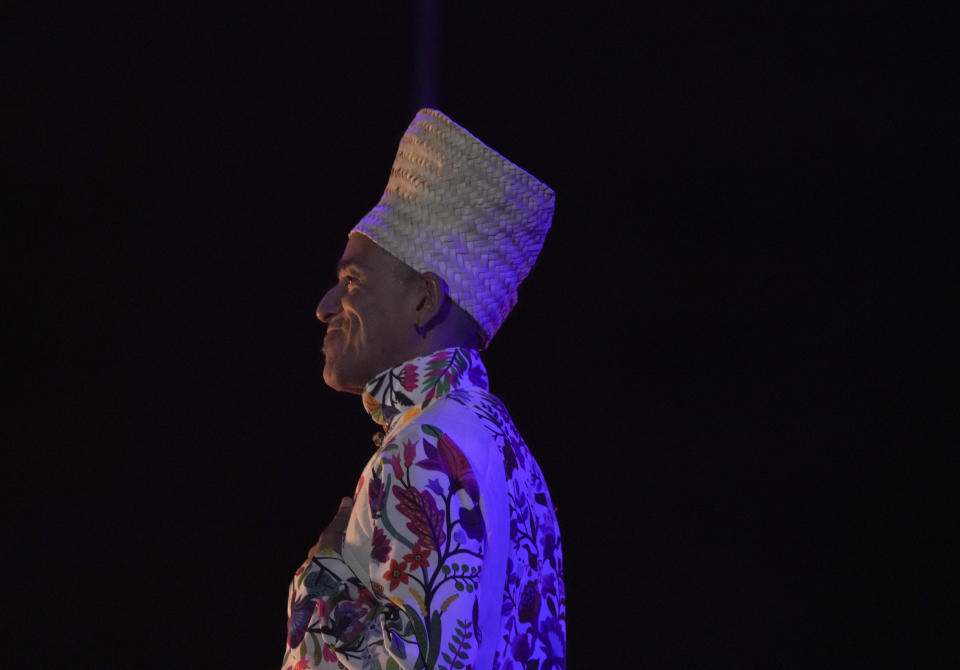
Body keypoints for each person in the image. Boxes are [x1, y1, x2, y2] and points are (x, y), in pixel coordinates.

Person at [281, 109, 565, 670]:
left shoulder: (424, 451)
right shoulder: (515, 461)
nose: (326, 307)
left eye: (352, 281)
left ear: (422, 301)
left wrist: (324, 572)